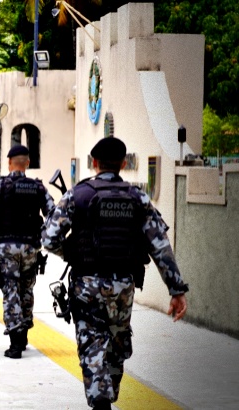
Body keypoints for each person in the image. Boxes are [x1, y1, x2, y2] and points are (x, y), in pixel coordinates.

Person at [41, 137, 189, 410]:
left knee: (92, 346)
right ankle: (107, 397)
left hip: (86, 285)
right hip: (122, 287)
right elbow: (160, 245)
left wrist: (71, 253)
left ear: (94, 163)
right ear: (123, 164)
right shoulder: (138, 198)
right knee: (116, 348)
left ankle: (101, 401)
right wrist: (176, 289)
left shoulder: (78, 194)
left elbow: (49, 239)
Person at [0, 145, 55, 359]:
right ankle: (24, 333)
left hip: (6, 246)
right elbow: (53, 213)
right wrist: (41, 236)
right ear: (28, 163)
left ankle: (15, 341)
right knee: (26, 288)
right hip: (31, 247)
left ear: (9, 163)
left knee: (11, 289)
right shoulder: (38, 188)